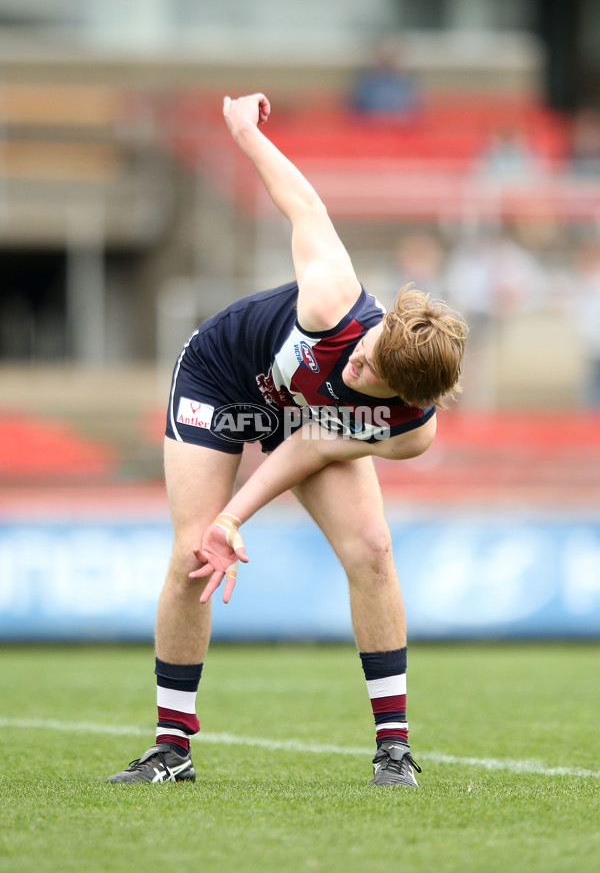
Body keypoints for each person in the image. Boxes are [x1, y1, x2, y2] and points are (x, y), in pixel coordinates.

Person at [107, 93, 467, 788]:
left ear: (408, 398)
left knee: (373, 548)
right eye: (368, 348)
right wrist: (243, 130)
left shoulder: (406, 434)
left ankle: (393, 748)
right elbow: (306, 205)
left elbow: (307, 447)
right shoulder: (333, 300)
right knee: (192, 554)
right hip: (222, 378)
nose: (359, 362)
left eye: (374, 374)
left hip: (300, 420)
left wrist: (236, 516)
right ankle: (170, 747)